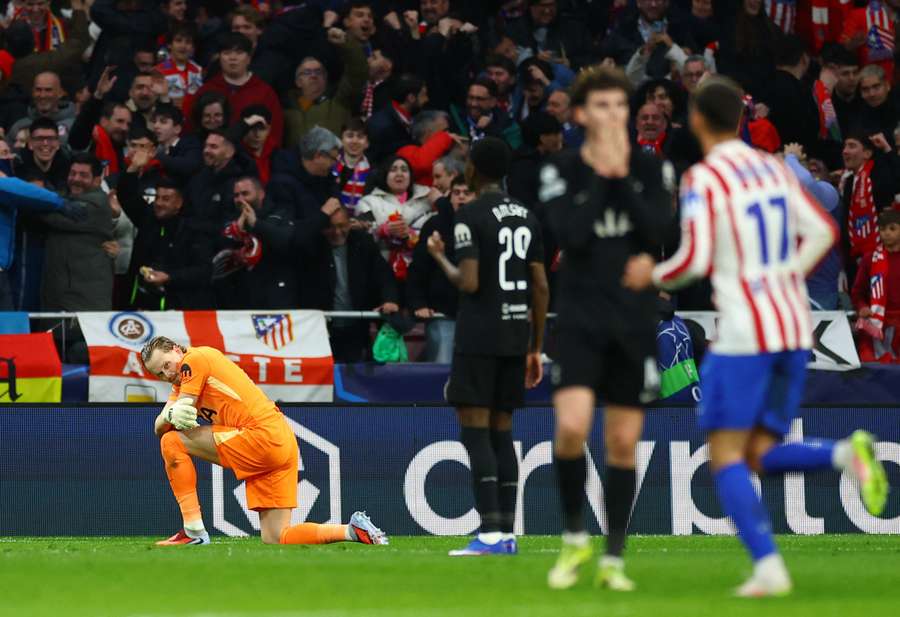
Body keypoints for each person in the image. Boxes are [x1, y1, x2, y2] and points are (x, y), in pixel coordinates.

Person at [623, 76, 888, 596]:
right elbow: (824, 231)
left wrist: (649, 275)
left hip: (746, 332)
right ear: (740, 119)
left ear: (698, 120)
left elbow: (695, 260)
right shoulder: (772, 169)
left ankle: (768, 568)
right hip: (793, 328)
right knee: (758, 455)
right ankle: (845, 455)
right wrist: (783, 276)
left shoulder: (704, 178)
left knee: (724, 456)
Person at [540, 66, 673, 591]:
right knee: (572, 427)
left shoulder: (651, 167)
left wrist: (623, 179)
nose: (613, 114)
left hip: (633, 321)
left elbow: (658, 229)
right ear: (580, 114)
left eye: (620, 105)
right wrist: (605, 177)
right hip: (579, 318)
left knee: (622, 442)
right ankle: (575, 535)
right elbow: (570, 234)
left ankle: (613, 558)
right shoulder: (562, 169)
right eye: (602, 106)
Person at [140, 336, 388, 547]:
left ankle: (193, 531)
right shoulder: (181, 381)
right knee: (276, 536)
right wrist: (168, 415)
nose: (167, 374)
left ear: (176, 350)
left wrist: (169, 415)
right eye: (159, 373)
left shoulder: (194, 359)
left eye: (167, 365)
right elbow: (159, 426)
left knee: (172, 442)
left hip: (259, 435)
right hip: (280, 441)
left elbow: (180, 412)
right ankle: (352, 530)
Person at [426, 137, 549, 555]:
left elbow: (470, 281)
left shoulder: (470, 216)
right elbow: (540, 286)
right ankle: (506, 533)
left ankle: (491, 534)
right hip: (516, 336)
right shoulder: (527, 216)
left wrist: (439, 257)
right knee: (502, 432)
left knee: (475, 432)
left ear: (473, 170)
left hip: (479, 336)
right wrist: (535, 347)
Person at [408, 175, 474, 362]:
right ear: (449, 196)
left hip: (478, 313)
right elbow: (419, 267)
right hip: (443, 312)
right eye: (456, 192)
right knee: (441, 368)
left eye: (467, 193)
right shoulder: (435, 225)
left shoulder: (486, 224)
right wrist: (418, 303)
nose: (461, 197)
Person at [40, 153, 114, 311]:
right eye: (72, 173)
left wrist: (32, 200)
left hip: (86, 298)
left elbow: (52, 217)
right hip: (60, 294)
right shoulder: (65, 196)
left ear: (97, 180)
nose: (76, 179)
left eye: (83, 175)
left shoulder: (97, 204)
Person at [356, 155, 433, 283]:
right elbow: (359, 236)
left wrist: (411, 235)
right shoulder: (369, 202)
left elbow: (433, 235)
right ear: (385, 175)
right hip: (378, 272)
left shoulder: (427, 202)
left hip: (419, 271)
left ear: (410, 176)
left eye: (404, 169)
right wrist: (382, 230)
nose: (399, 174)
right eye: (393, 169)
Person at [852, 209, 900, 362]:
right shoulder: (870, 259)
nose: (887, 233)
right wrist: (862, 307)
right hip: (876, 325)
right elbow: (857, 292)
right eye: (883, 229)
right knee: (871, 365)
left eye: (892, 228)